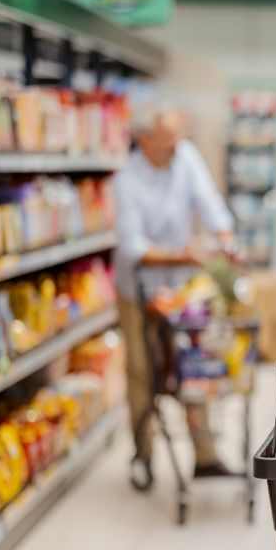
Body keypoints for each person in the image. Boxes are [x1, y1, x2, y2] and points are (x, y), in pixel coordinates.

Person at [113, 106, 238, 492]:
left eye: (177, 138)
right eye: (167, 140)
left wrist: (225, 237)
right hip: (139, 290)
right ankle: (143, 455)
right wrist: (185, 254)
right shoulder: (126, 179)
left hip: (181, 290)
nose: (176, 146)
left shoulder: (184, 158)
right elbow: (134, 247)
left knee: (193, 363)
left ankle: (205, 456)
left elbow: (209, 202)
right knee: (142, 372)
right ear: (145, 140)